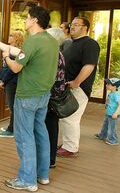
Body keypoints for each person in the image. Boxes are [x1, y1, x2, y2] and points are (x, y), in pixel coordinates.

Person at [0, 6, 59, 191]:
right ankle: (42, 175)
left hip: (27, 96)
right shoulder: (51, 41)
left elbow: (17, 67)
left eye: (27, 18)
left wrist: (6, 58)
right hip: (43, 95)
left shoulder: (32, 42)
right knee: (40, 133)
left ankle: (27, 180)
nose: (25, 21)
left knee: (24, 137)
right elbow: (19, 51)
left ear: (34, 20)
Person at [57, 16, 100, 157]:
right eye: (72, 24)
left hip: (79, 88)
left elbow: (89, 66)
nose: (72, 27)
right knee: (65, 117)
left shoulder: (90, 44)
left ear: (85, 28)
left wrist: (76, 82)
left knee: (71, 118)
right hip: (67, 87)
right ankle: (67, 144)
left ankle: (71, 148)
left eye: (76, 24)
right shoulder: (71, 43)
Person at [45, 27, 68, 168]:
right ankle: (50, 158)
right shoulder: (59, 53)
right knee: (52, 127)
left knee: (48, 128)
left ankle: (48, 159)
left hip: (50, 98)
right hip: (56, 96)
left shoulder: (52, 54)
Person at [0, 30, 24, 138]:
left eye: (11, 35)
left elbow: (12, 70)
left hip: (13, 82)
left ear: (17, 39)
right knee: (13, 106)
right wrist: (1, 78)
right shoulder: (9, 49)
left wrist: (4, 80)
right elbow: (5, 67)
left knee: (13, 106)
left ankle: (12, 129)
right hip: (9, 81)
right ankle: (13, 127)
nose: (9, 37)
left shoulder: (16, 52)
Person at [95, 78, 120, 145]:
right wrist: (106, 104)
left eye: (108, 84)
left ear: (114, 86)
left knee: (112, 128)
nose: (106, 85)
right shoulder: (111, 93)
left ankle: (113, 140)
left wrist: (115, 113)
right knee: (106, 125)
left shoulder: (116, 94)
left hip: (113, 114)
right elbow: (109, 100)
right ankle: (103, 135)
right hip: (109, 113)